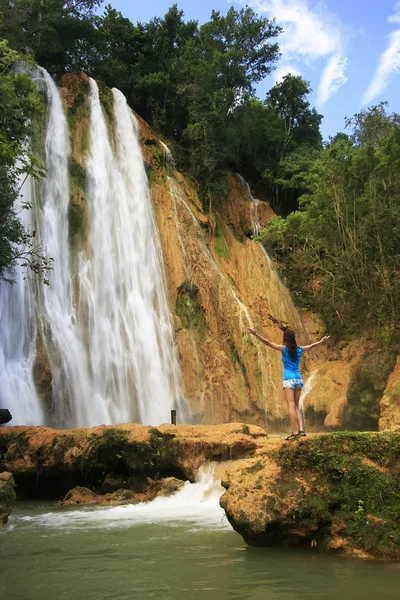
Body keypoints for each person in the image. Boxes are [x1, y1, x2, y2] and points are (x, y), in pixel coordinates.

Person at [248, 327, 330, 441]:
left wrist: (256, 334)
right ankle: (302, 431)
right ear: (294, 339)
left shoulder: (283, 349)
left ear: (285, 339)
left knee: (291, 406)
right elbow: (311, 346)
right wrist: (322, 341)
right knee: (296, 406)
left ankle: (295, 432)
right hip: (298, 379)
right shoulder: (299, 349)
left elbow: (268, 343)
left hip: (288, 380)